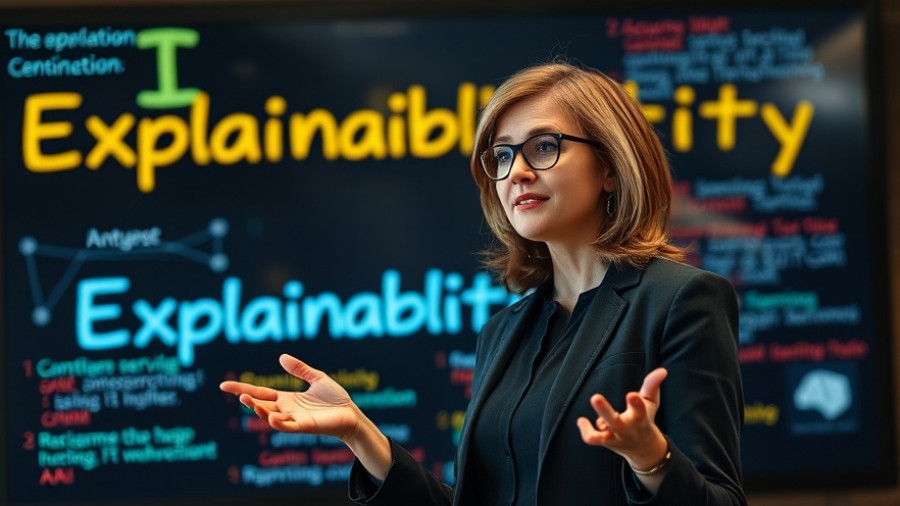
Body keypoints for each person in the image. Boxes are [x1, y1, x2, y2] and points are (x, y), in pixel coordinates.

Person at [220, 60, 746, 505]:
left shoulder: (681, 299)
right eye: (502, 155)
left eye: (543, 147)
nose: (516, 171)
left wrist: (651, 458)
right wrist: (360, 433)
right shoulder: (504, 329)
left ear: (610, 166)